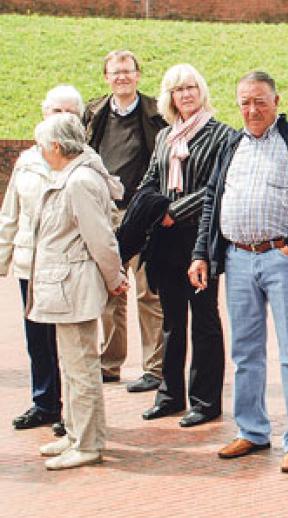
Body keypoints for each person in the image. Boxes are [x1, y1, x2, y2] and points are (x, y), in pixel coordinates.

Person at [189, 71, 288, 473]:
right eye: (244, 102)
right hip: (237, 258)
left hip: (280, 259)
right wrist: (202, 253)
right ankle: (251, 430)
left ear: (276, 100)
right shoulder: (231, 144)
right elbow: (211, 202)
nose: (252, 110)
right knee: (245, 352)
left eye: (260, 102)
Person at [117, 64, 232, 426]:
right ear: (169, 96)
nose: (186, 94)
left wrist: (173, 212)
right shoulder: (167, 136)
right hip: (164, 240)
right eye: (178, 89)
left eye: (191, 87)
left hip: (198, 237)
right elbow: (151, 179)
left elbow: (216, 188)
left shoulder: (221, 135)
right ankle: (169, 395)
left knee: (204, 320)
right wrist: (152, 209)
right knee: (171, 321)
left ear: (202, 91)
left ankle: (205, 400)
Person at [29, 113, 128, 470]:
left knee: (82, 368)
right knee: (71, 368)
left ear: (56, 146)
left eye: (42, 147)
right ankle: (75, 434)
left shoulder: (79, 182)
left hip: (74, 287)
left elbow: (100, 238)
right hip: (64, 288)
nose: (40, 153)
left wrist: (115, 277)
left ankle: (88, 443)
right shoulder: (73, 177)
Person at [1, 86, 83, 437]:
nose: (62, 117)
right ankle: (45, 402)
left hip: (64, 267)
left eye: (69, 111)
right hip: (29, 264)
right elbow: (10, 214)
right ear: (44, 112)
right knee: (37, 340)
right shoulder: (27, 161)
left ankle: (75, 411)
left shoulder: (83, 161)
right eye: (56, 111)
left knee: (69, 342)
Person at [83, 49, 166, 392]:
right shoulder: (94, 112)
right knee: (109, 291)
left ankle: (154, 368)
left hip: (142, 213)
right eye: (116, 72)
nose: (122, 77)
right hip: (107, 213)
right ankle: (110, 363)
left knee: (149, 292)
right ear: (107, 77)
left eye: (128, 71)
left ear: (137, 75)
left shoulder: (155, 112)